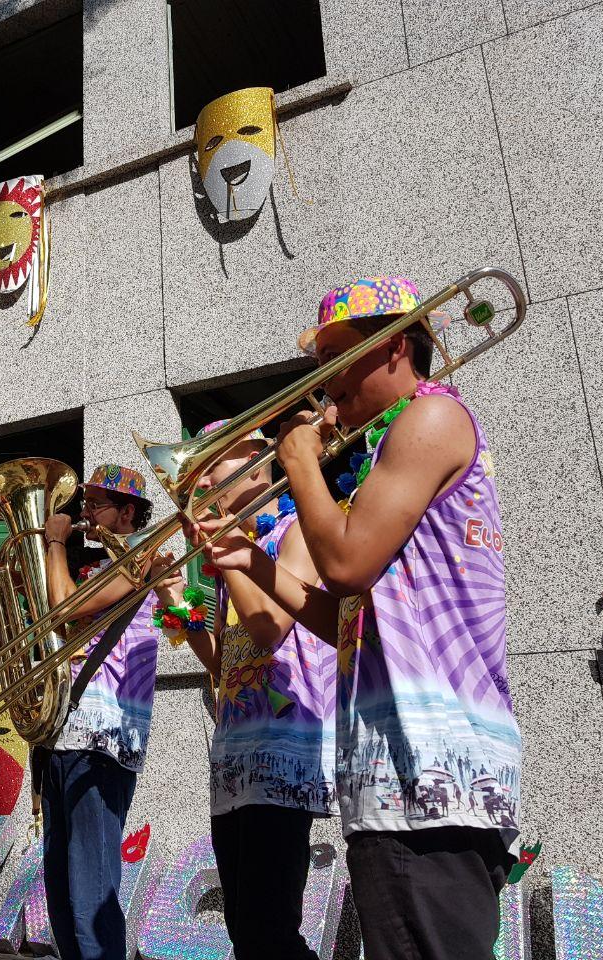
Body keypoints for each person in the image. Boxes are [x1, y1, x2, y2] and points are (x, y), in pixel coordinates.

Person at [194, 276, 523, 960]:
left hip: (432, 771)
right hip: (395, 775)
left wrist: (298, 462)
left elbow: (342, 567)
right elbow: (343, 618)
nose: (325, 384)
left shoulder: (431, 418)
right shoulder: (384, 456)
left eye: (338, 358)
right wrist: (246, 562)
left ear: (396, 346)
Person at [181, 423, 336, 960]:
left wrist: (232, 552)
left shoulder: (297, 530)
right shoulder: (239, 554)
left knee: (266, 932)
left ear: (255, 456)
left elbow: (271, 626)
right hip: (234, 755)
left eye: (211, 469)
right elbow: (229, 666)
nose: (203, 487)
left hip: (284, 751)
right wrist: (187, 615)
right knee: (243, 929)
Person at [39, 464, 182, 960]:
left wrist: (54, 543)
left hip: (104, 738)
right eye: (86, 505)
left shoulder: (140, 557)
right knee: (59, 885)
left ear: (127, 512)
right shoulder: (105, 568)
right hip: (67, 733)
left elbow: (59, 608)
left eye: (95, 504)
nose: (84, 514)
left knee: (91, 890)